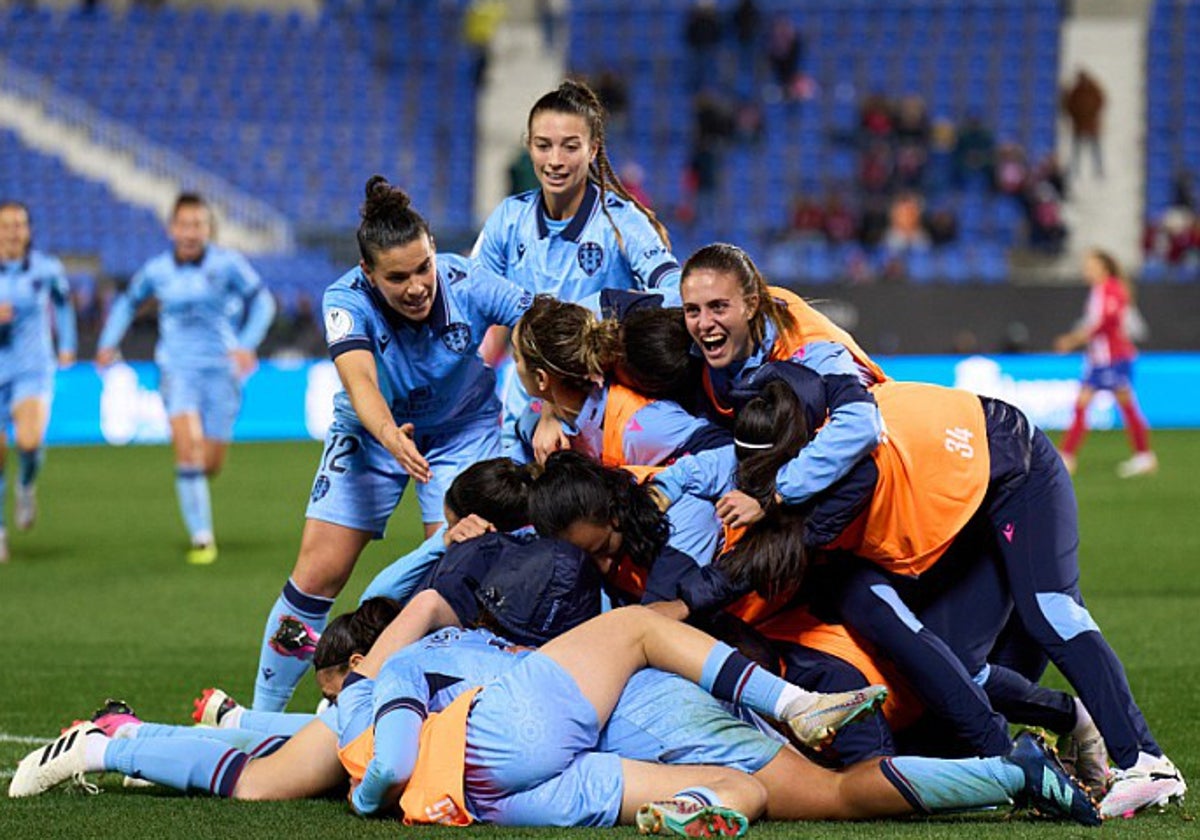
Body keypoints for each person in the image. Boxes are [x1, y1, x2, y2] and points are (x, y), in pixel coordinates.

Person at [656, 366, 1185, 818]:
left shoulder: (847, 472)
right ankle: (1068, 724)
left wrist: (682, 603)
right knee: (954, 661)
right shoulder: (817, 407)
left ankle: (1147, 762)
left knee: (1052, 611)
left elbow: (773, 551)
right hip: (959, 506)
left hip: (1014, 470)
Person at [250, 176, 534, 713]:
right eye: (397, 277)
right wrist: (388, 436)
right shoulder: (344, 300)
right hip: (374, 434)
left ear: (433, 251)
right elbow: (360, 384)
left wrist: (540, 389)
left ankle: (420, 704)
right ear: (369, 276)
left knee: (454, 574)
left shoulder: (466, 279)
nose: (417, 286)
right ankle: (262, 717)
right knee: (318, 572)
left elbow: (539, 318)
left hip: (461, 430)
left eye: (423, 267)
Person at [471, 79, 681, 453]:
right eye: (543, 145)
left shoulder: (622, 221)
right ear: (528, 146)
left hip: (600, 414)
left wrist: (603, 306)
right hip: (525, 415)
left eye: (570, 147)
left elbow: (677, 293)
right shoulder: (508, 218)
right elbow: (469, 302)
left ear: (593, 149)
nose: (555, 160)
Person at [95, 193, 275, 566]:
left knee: (209, 463)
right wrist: (107, 342)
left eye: (199, 224)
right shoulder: (157, 270)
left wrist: (246, 344)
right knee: (189, 449)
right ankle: (202, 536)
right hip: (176, 369)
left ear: (208, 229)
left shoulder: (228, 265)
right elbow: (129, 302)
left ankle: (197, 497)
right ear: (172, 228)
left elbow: (263, 302)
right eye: (185, 224)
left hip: (222, 372)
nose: (191, 232)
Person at [0, 200, 76, 562]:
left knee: (28, 442)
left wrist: (68, 344)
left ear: (28, 230)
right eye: (6, 224)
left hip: (32, 367)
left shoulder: (46, 269)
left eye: (19, 224)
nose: (13, 231)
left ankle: (26, 484)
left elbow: (63, 303)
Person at [1054, 249, 1156, 477]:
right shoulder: (1101, 290)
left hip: (1113, 359)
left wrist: (1071, 340)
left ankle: (1068, 457)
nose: (1086, 270)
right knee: (1093, 405)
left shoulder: (1110, 290)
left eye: (1090, 265)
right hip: (1102, 359)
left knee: (1115, 405)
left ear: (1103, 267)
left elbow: (1103, 325)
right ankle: (1143, 456)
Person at [1062, 69, 1106, 179]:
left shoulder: (1093, 89)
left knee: (1095, 149)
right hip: (1079, 124)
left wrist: (1092, 114)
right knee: (1077, 149)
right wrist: (1076, 116)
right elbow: (1068, 105)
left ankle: (1099, 170)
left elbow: (1101, 100)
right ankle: (1075, 169)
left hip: (1091, 124)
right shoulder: (1075, 91)